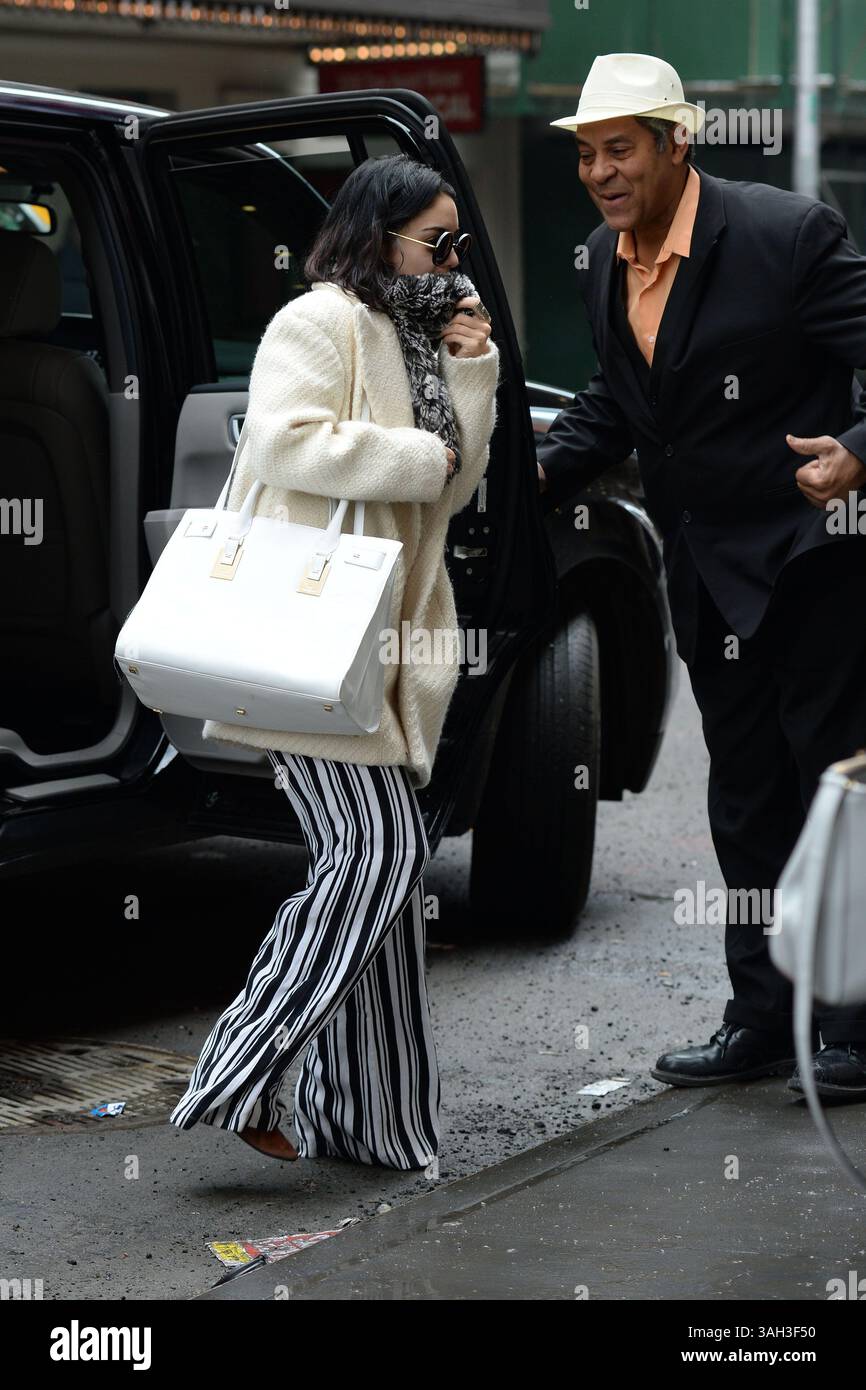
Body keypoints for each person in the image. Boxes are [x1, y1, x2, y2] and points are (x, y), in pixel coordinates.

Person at [537, 53, 866, 1098]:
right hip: (706, 572)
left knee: (836, 797)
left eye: (618, 147)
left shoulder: (784, 234)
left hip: (815, 562)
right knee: (743, 801)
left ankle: (854, 1027)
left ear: (677, 144)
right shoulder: (598, 258)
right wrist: (528, 474)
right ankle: (760, 1019)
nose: (599, 171)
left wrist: (857, 447)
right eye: (586, 153)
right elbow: (618, 400)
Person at [168, 154, 499, 1167]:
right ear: (378, 236)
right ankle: (240, 1068)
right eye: (434, 242)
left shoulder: (419, 343)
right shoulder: (316, 322)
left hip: (379, 655)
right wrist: (419, 456)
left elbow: (450, 491)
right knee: (381, 856)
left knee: (387, 887)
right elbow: (283, 441)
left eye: (458, 245)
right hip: (305, 642)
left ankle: (373, 1121)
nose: (451, 261)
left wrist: (470, 369)